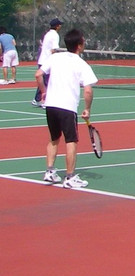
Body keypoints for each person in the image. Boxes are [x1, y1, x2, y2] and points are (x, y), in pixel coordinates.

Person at [40, 28, 98, 188]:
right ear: (79, 45)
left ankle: (50, 172)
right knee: (71, 140)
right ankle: (70, 177)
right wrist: (87, 109)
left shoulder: (55, 57)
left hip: (50, 106)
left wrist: (44, 92)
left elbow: (38, 74)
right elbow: (88, 90)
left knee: (53, 139)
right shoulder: (82, 64)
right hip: (67, 107)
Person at [33, 18, 63, 106]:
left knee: (42, 81)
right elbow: (54, 50)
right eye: (60, 25)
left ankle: (37, 99)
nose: (60, 26)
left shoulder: (48, 34)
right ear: (57, 26)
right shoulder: (55, 35)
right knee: (48, 82)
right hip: (48, 61)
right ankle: (45, 101)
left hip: (42, 60)